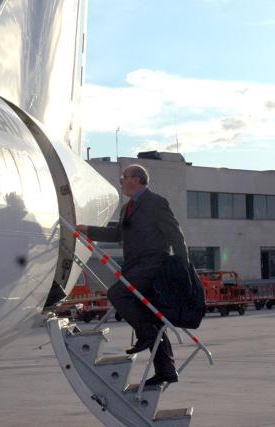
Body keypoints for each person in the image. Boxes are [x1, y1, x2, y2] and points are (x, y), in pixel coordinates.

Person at [77, 164, 187, 387]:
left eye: (123, 177)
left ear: (136, 179)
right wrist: (87, 229)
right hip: (136, 266)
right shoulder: (128, 207)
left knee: (118, 294)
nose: (121, 181)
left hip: (153, 264)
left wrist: (183, 265)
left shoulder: (155, 202)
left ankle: (145, 334)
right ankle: (166, 370)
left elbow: (175, 233)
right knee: (152, 318)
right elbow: (118, 234)